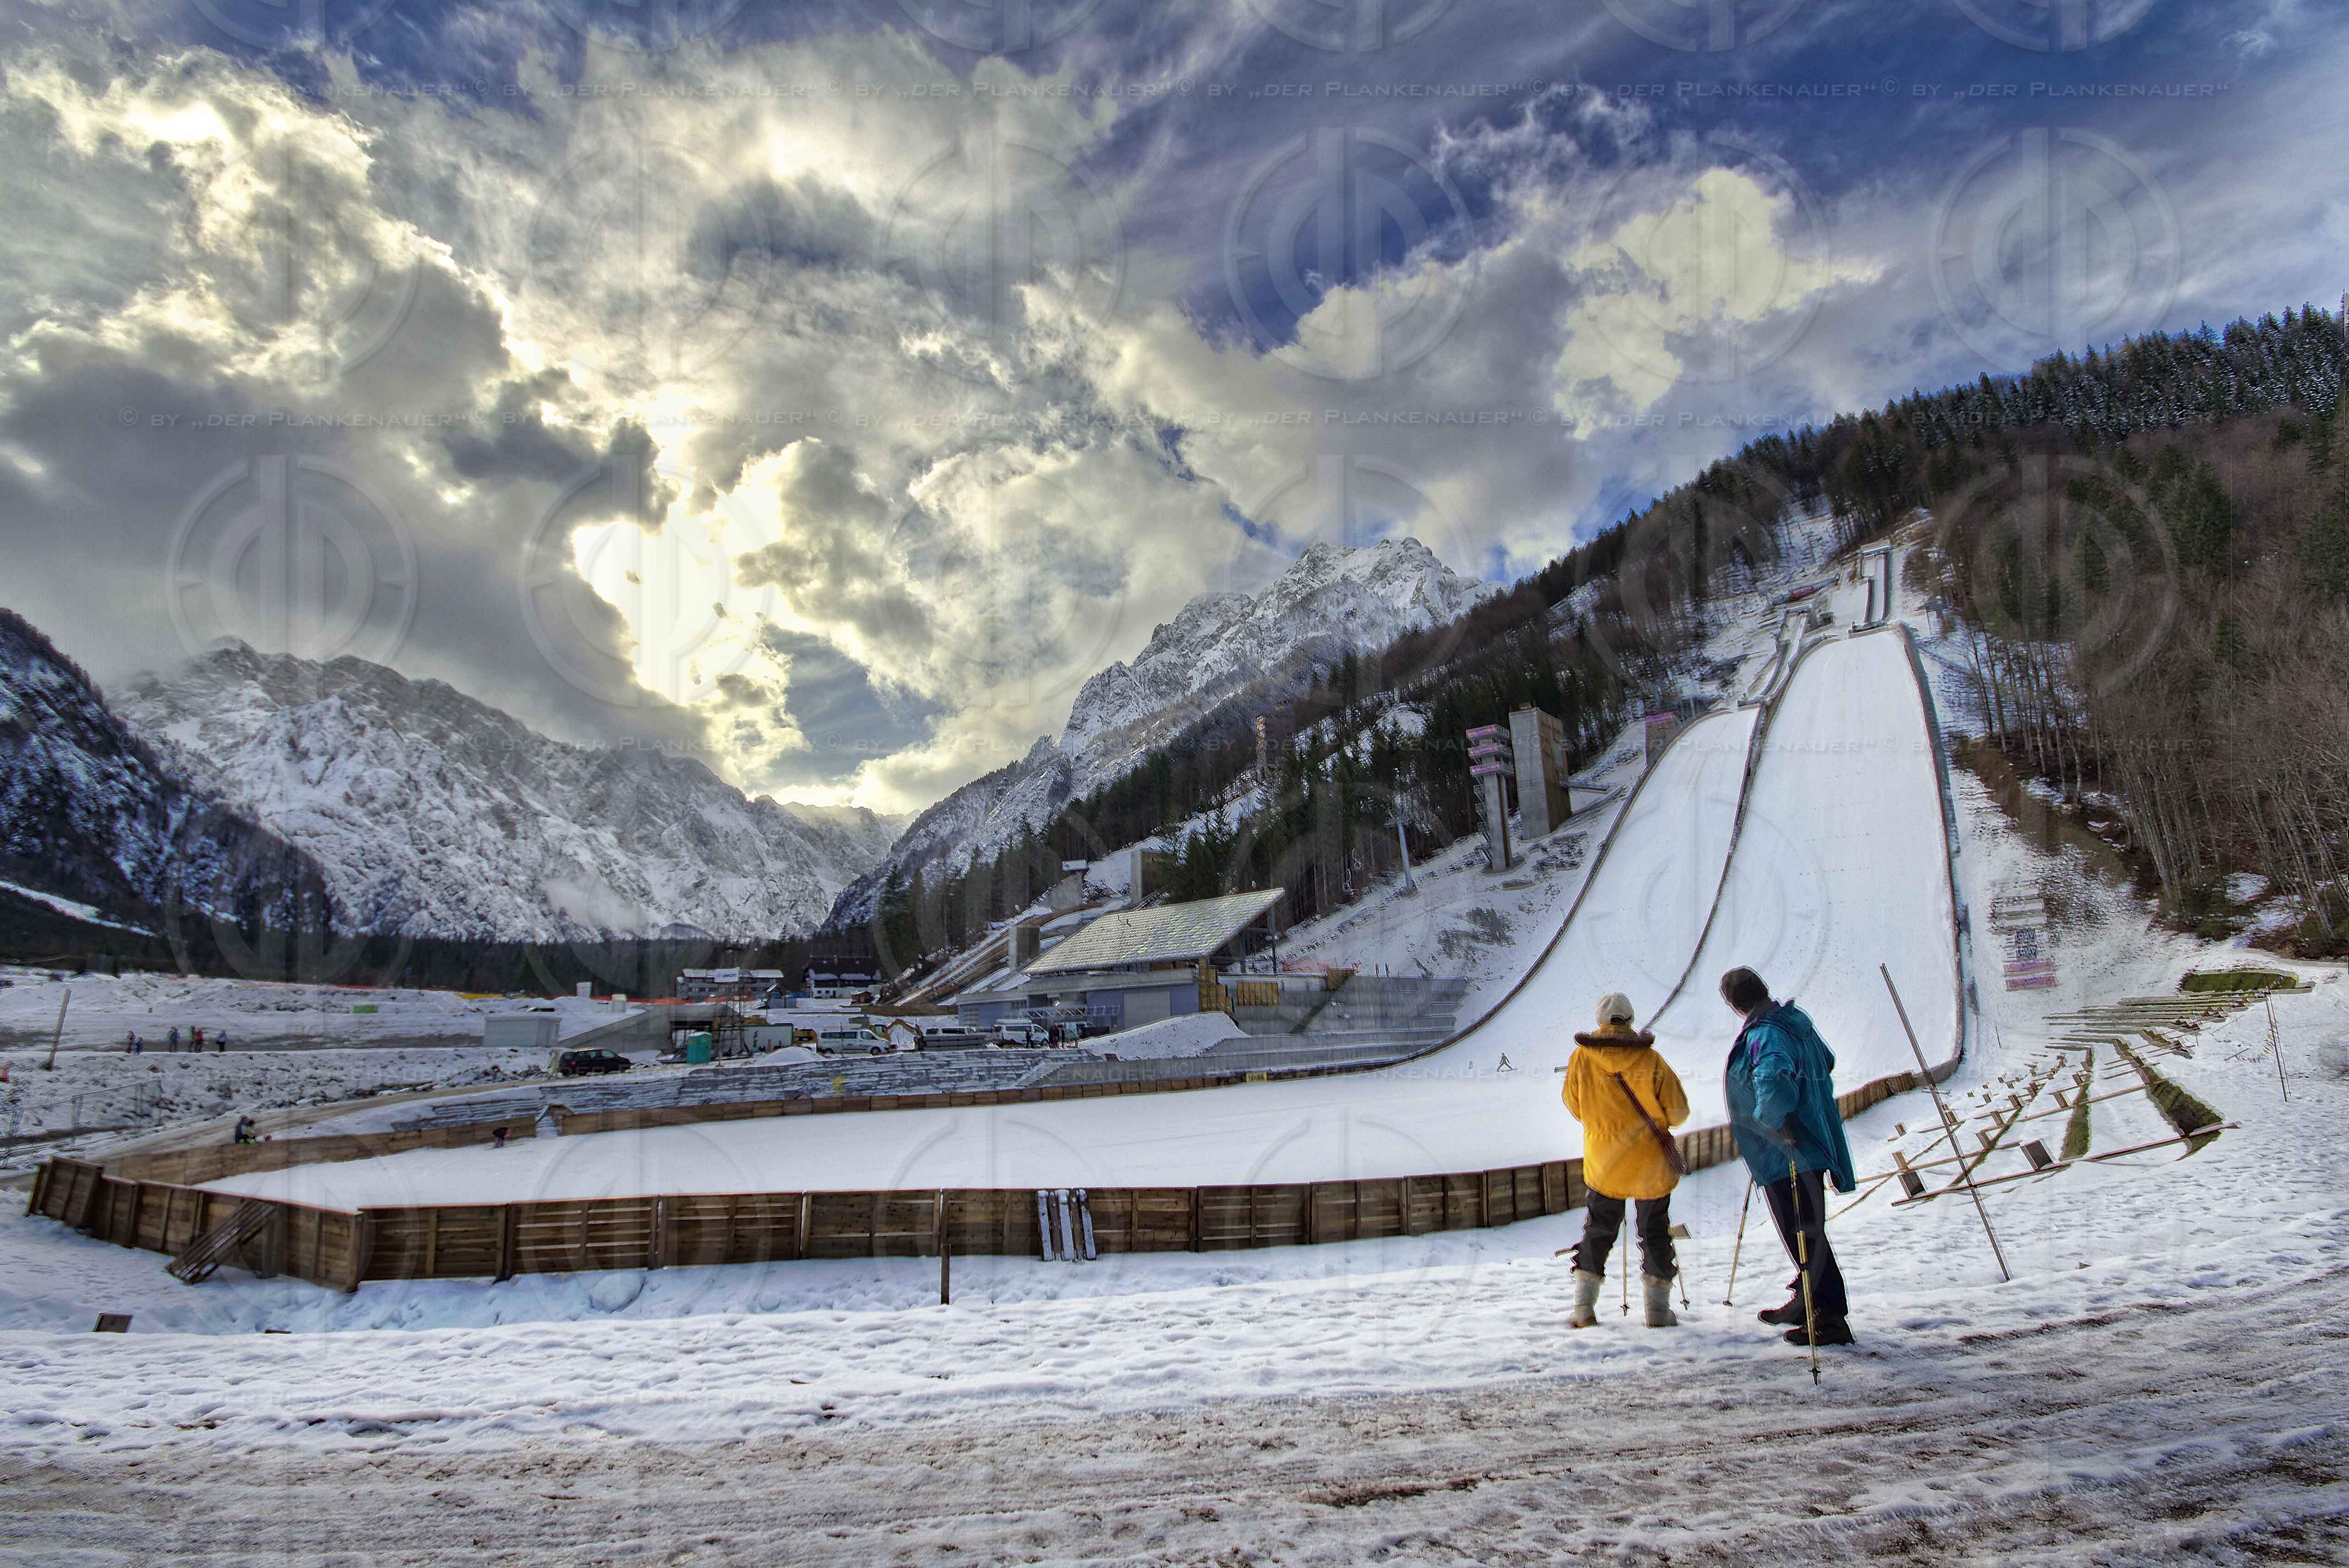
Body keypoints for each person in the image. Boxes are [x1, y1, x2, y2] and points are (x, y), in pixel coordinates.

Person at [1720, 967, 1857, 1348]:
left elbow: (1775, 1083)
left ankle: (1829, 1317)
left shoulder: (1765, 1033)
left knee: (1804, 1233)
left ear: (1734, 1004)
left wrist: (1769, 1121)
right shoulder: (1794, 1022)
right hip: (1807, 1142)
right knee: (1804, 1229)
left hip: (1788, 1149)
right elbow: (1826, 1059)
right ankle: (1806, 1299)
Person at [1561, 991, 1689, 1329]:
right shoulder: (1651, 1060)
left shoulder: (1581, 1058)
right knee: (1654, 1232)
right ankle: (1658, 1312)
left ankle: (1583, 1309)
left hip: (1605, 1161)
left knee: (1598, 1229)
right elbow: (1678, 1112)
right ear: (1631, 1020)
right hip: (1650, 1162)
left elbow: (1574, 1105)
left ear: (1600, 1021)